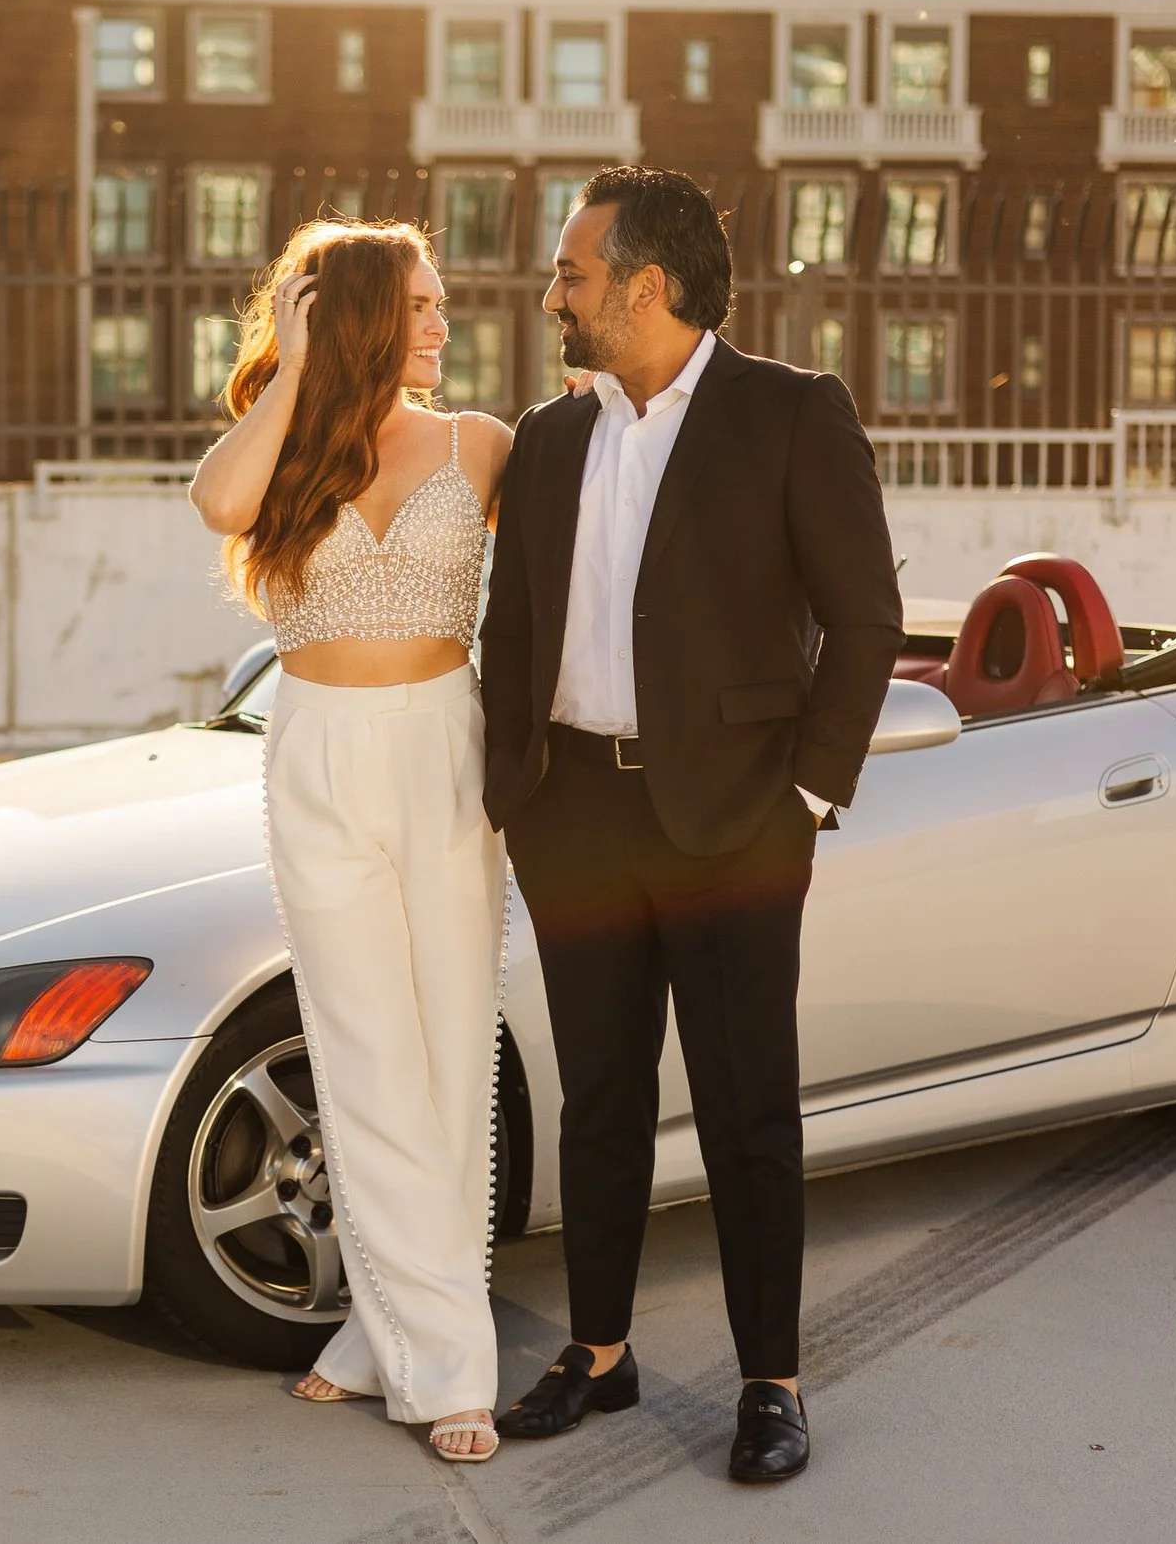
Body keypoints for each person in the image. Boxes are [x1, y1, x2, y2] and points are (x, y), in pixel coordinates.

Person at [480, 167, 903, 1483]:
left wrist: (807, 796)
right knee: (598, 1102)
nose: (553, 295)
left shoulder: (790, 412)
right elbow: (513, 628)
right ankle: (599, 1350)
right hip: (574, 818)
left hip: (736, 825)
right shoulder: (549, 436)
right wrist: (514, 794)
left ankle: (771, 1382)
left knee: (745, 1109)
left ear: (646, 286)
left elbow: (867, 617)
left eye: (572, 274)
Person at [189, 220, 518, 1464]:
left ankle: (387, 1339)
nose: (441, 325)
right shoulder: (282, 449)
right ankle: (448, 1368)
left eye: (440, 304)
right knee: (365, 1055)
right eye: (419, 306)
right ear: (367, 319)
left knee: (448, 1055)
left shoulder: (482, 444)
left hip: (443, 749)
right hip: (317, 750)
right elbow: (216, 501)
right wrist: (293, 366)